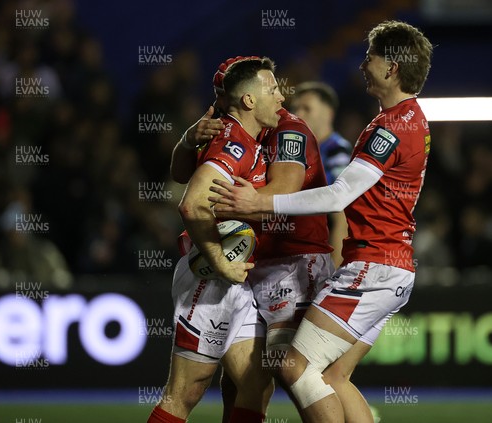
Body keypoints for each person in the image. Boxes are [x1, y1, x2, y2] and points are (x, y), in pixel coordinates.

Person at [209, 20, 433, 422]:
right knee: (335, 375)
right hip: (392, 268)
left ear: (392, 68)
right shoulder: (412, 118)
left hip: (374, 267)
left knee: (294, 365)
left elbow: (337, 196)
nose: (363, 64)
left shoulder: (391, 128)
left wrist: (260, 205)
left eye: (371, 57)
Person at [148, 57, 284, 423]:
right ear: (249, 101)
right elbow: (191, 205)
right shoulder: (235, 142)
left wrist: (187, 140)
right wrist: (221, 262)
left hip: (236, 281)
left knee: (255, 384)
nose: (281, 97)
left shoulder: (239, 135)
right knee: (186, 393)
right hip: (209, 278)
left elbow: (180, 172)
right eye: (273, 90)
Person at [291, 82, 352, 266]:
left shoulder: (336, 151)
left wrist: (335, 266)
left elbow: (342, 212)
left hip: (322, 258)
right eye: (295, 108)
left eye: (307, 108)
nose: (298, 114)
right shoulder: (300, 149)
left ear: (328, 114)